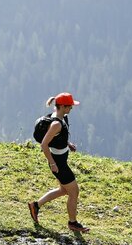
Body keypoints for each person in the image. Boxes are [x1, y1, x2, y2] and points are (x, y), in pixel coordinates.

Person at [27, 93, 89, 232]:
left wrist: (67, 144)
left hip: (60, 161)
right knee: (74, 192)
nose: (71, 108)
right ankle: (73, 223)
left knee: (63, 190)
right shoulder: (55, 124)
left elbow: (58, 137)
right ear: (61, 106)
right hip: (59, 164)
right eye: (69, 106)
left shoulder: (61, 117)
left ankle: (35, 206)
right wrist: (52, 163)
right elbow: (44, 144)